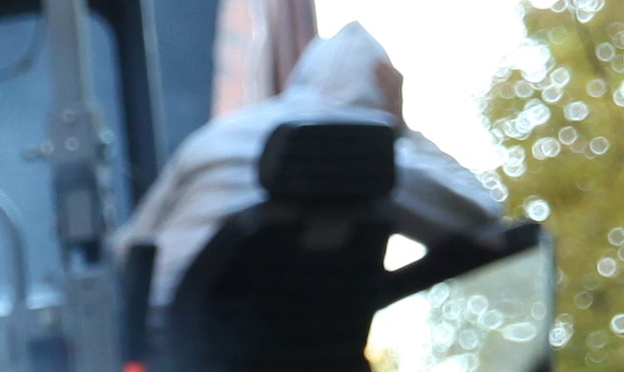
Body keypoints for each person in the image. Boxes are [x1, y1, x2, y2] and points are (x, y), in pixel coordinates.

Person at [127, 21, 510, 310]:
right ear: (380, 94)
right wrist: (403, 131)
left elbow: (129, 246)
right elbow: (480, 213)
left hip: (163, 348)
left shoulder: (216, 136)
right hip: (280, 366)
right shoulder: (363, 154)